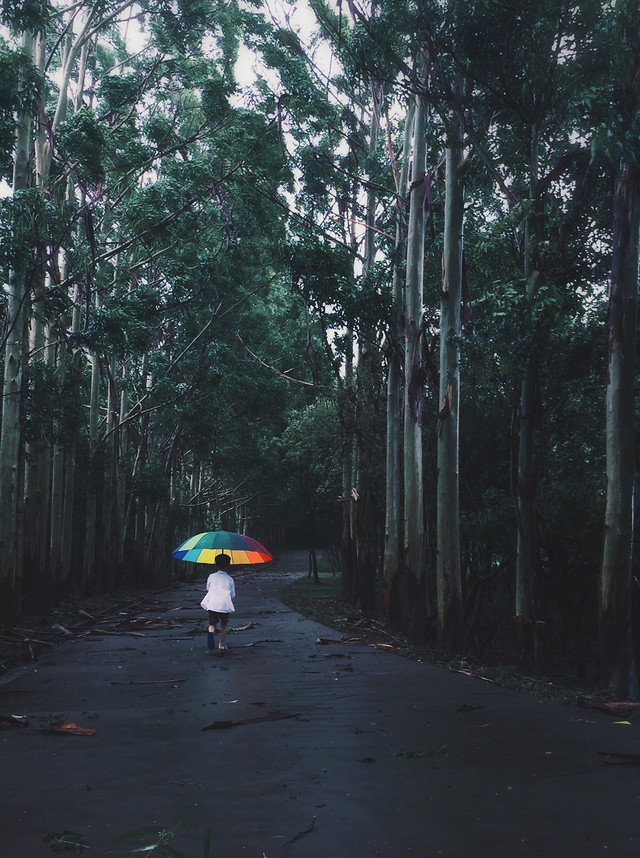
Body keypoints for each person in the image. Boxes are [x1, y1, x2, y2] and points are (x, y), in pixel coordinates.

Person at [200, 553, 235, 653]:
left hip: (213, 604)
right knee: (224, 624)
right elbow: (232, 594)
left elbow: (208, 588)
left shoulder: (211, 576)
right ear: (228, 565)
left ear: (216, 564)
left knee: (212, 623)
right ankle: (220, 645)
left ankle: (211, 633)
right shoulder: (230, 579)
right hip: (224, 605)